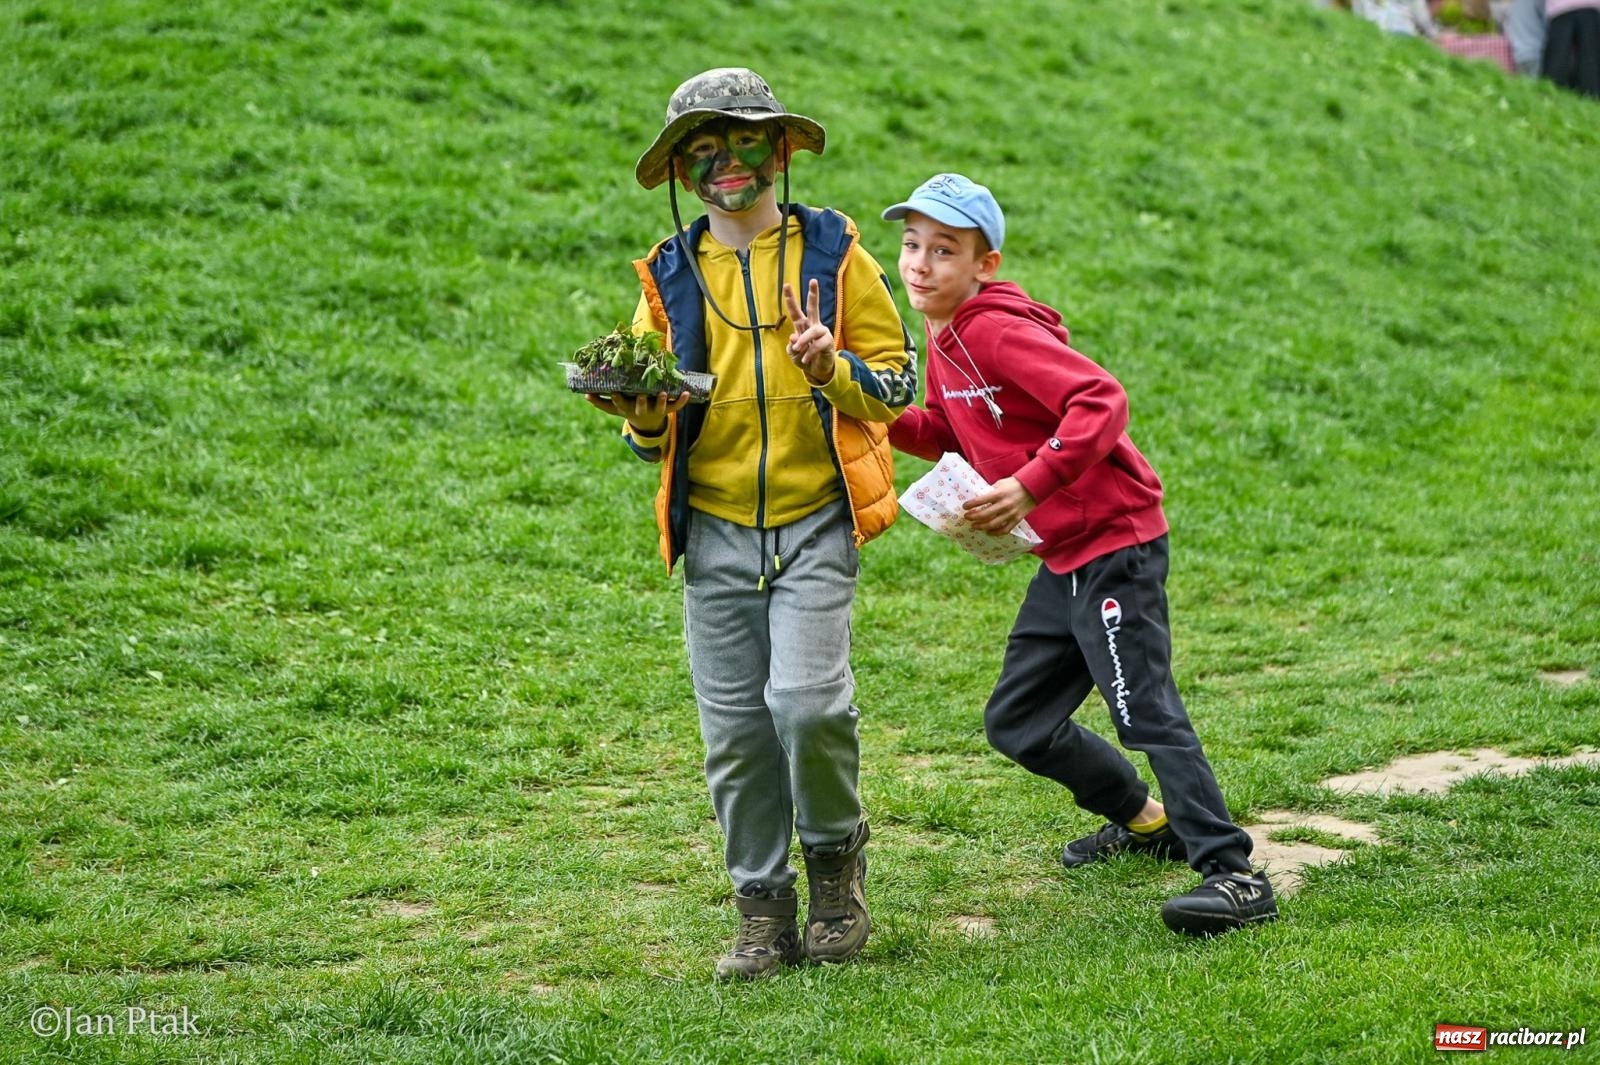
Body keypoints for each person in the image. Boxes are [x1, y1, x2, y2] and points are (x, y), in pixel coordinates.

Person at [881, 174, 1278, 937]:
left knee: (1143, 709)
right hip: (1063, 554)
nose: (920, 265)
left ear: (984, 264)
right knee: (1018, 720)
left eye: (943, 250)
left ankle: (1232, 873)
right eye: (911, 245)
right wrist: (869, 408)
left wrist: (1030, 486)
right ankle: (1145, 820)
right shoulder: (946, 337)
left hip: (1115, 542)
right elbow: (944, 429)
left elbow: (1100, 398)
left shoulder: (995, 330)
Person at [585, 68, 917, 979]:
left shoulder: (836, 252)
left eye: (740, 143)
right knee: (733, 732)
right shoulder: (665, 273)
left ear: (778, 150)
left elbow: (899, 383)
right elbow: (647, 435)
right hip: (718, 530)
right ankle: (761, 908)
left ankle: (837, 867)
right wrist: (642, 410)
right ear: (681, 170)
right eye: (701, 150)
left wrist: (831, 364)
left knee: (807, 707)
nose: (724, 165)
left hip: (816, 519)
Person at [1542, 0, 1600, 96]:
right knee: (1590, 60)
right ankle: (1591, 98)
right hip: (1590, 7)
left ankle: (1549, 98)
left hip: (1560, 8)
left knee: (1557, 59)